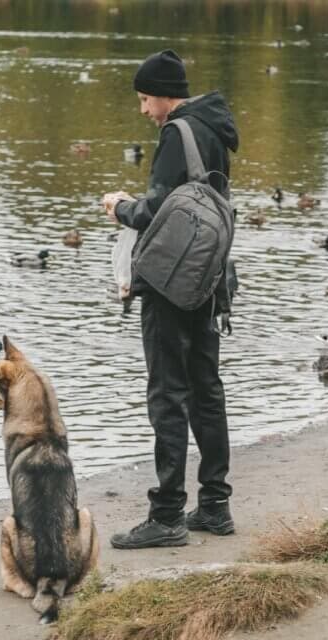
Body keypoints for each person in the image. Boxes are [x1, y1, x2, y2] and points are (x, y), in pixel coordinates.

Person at [101, 49, 240, 549]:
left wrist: (121, 207)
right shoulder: (213, 130)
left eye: (145, 99)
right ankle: (216, 506)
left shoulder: (176, 134)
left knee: (166, 396)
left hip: (171, 282)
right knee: (206, 389)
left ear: (165, 95)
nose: (143, 110)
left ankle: (166, 516)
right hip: (211, 277)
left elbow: (156, 212)